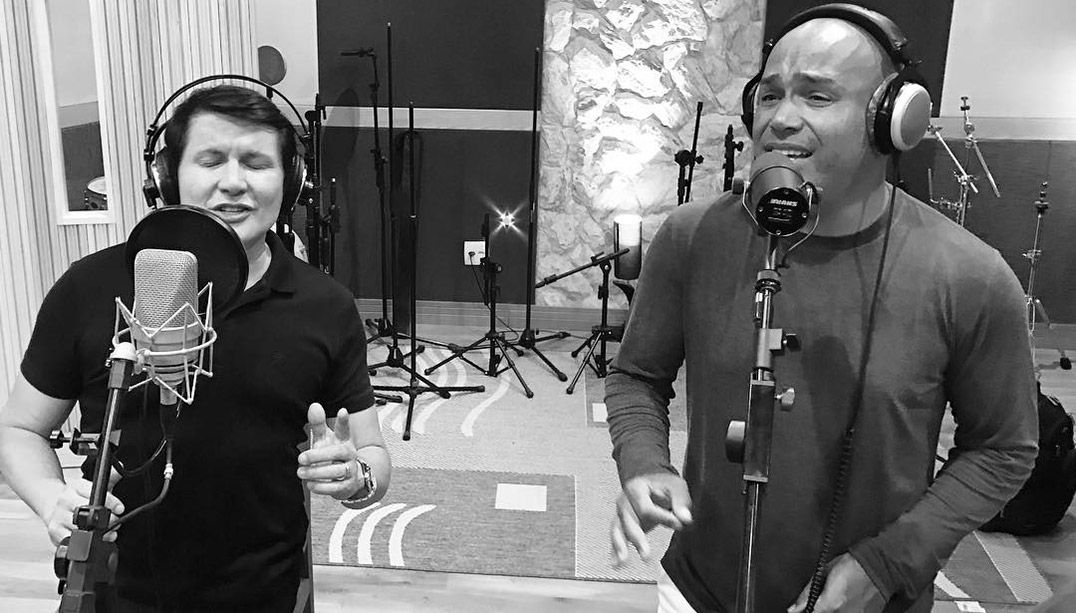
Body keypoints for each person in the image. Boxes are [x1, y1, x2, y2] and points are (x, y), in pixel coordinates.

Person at [605, 6, 1038, 613]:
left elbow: (1004, 449)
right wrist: (643, 462)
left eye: (817, 96)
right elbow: (636, 376)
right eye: (770, 94)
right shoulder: (693, 236)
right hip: (697, 587)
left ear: (891, 120)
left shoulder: (971, 275)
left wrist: (888, 565)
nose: (781, 119)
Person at [0, 84, 391, 611]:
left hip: (262, 593)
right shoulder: (90, 287)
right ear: (167, 177)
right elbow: (18, 429)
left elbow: (373, 459)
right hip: (113, 588)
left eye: (256, 163)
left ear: (292, 182)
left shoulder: (326, 306)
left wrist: (355, 476)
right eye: (210, 161)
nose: (233, 182)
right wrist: (51, 499)